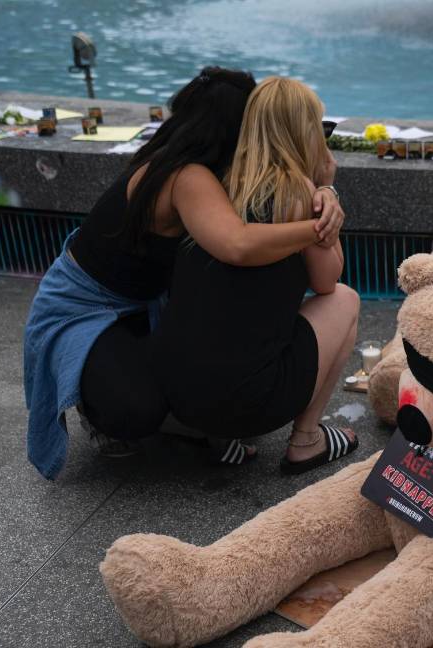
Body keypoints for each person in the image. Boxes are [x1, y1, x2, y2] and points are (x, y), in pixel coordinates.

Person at [23, 67, 344, 480]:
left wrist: (322, 192)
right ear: (230, 127)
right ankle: (97, 405)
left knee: (177, 376)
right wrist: (320, 224)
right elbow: (238, 244)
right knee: (135, 406)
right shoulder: (187, 176)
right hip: (86, 306)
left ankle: (191, 424)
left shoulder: (196, 165)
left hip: (141, 302)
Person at [151, 77, 360, 475]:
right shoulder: (296, 191)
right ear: (305, 133)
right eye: (321, 127)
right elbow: (326, 281)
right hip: (245, 403)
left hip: (177, 392)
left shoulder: (215, 182)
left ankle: (218, 438)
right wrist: (326, 186)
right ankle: (307, 440)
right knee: (345, 301)